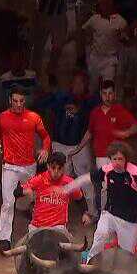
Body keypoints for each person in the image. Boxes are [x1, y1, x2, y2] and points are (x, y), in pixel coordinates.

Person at [0, 89, 51, 254]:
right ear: (10, 100)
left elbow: (45, 136)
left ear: (25, 101)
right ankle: (3, 239)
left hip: (29, 166)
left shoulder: (33, 117)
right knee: (8, 203)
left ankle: (32, 226)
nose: (18, 104)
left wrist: (45, 149)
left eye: (21, 101)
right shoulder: (1, 118)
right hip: (9, 165)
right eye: (15, 101)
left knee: (29, 200)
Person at [35, 72, 99, 218]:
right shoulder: (61, 97)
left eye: (81, 83)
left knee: (86, 180)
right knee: (57, 180)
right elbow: (40, 105)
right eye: (75, 83)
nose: (77, 86)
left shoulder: (91, 101)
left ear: (86, 85)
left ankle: (93, 213)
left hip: (80, 146)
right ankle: (54, 214)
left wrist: (81, 111)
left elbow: (95, 120)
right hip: (59, 145)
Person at [84, 141, 137, 259]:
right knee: (100, 235)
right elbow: (86, 179)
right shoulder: (106, 170)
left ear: (126, 159)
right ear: (110, 159)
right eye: (114, 159)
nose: (117, 162)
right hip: (109, 213)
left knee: (127, 255)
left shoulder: (136, 173)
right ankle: (90, 260)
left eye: (120, 159)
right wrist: (66, 189)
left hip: (130, 220)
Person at [15, 152, 84, 237]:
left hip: (59, 227)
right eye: (53, 168)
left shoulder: (69, 183)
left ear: (64, 167)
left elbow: (80, 198)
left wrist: (85, 214)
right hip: (37, 226)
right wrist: (24, 192)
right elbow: (15, 192)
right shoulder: (39, 179)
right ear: (48, 166)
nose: (56, 172)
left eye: (59, 168)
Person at [78, 81, 137, 170]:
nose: (107, 97)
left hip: (116, 156)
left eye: (110, 93)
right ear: (100, 94)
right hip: (100, 156)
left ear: (114, 94)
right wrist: (77, 149)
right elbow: (90, 132)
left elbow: (136, 126)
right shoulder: (95, 112)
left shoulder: (120, 110)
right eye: (104, 93)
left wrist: (126, 132)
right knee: (103, 182)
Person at [81, 0, 127, 93]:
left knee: (108, 87)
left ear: (110, 4)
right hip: (95, 58)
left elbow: (126, 38)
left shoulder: (120, 21)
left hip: (110, 59)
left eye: (103, 3)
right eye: (100, 3)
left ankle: (108, 107)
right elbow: (83, 30)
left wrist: (123, 38)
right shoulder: (94, 19)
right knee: (92, 87)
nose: (101, 6)